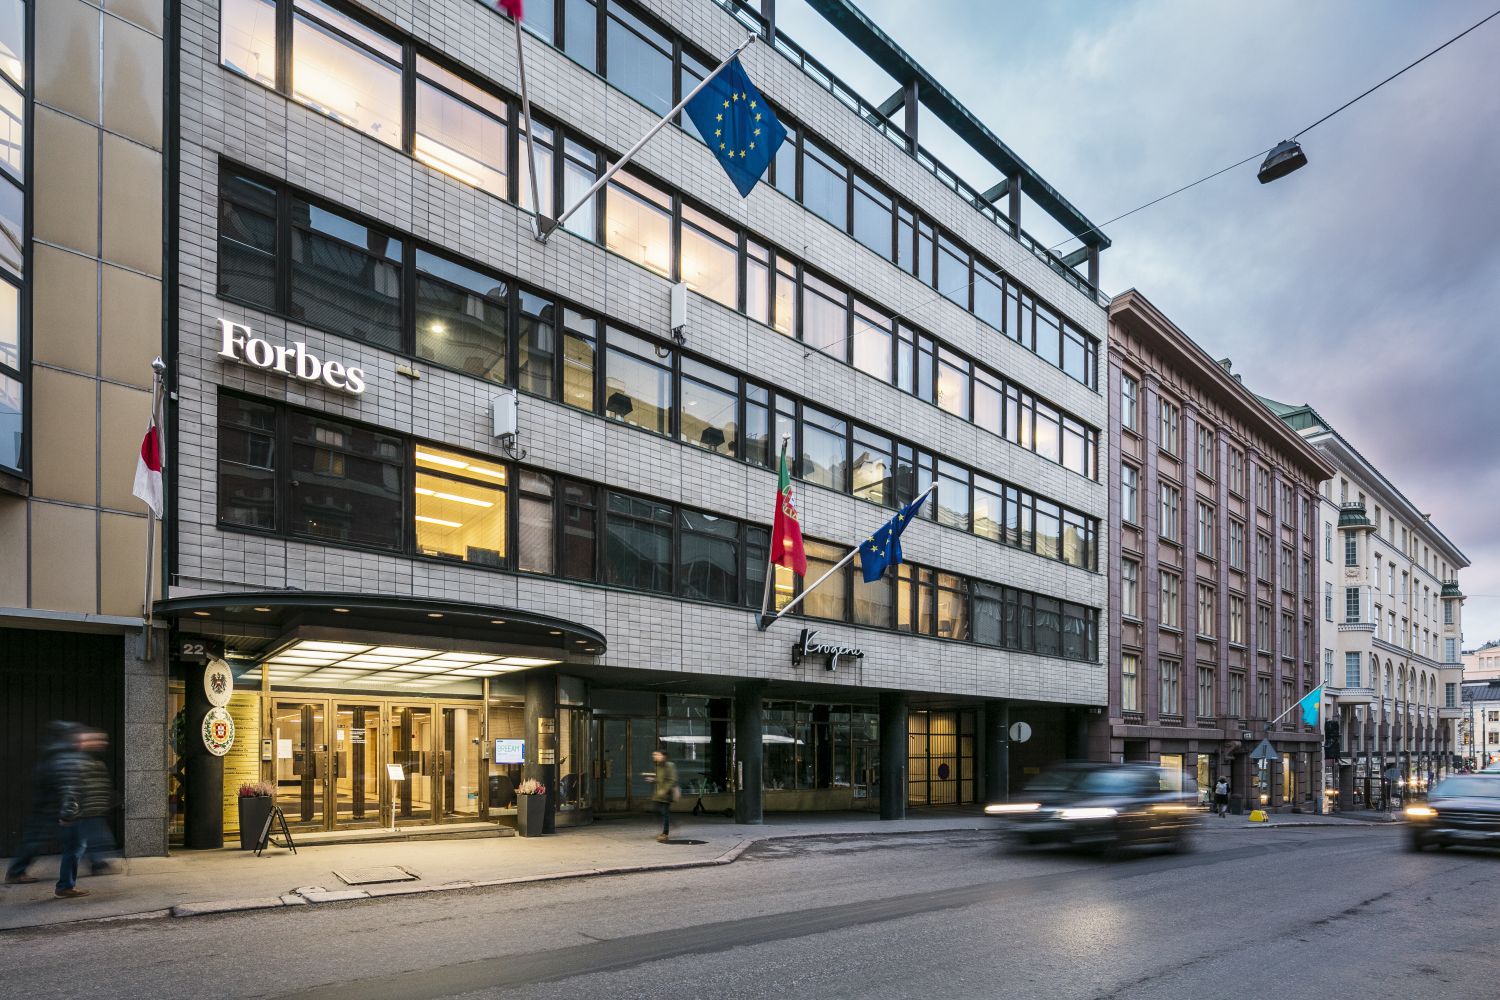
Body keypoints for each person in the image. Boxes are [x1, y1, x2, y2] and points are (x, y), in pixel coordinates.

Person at [4, 722, 77, 885]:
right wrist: (66, 812)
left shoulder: (49, 753)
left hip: (44, 805)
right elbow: (65, 786)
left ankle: (16, 871)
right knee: (72, 842)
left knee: (34, 840)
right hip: (52, 808)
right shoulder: (61, 756)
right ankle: (16, 872)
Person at [54, 727, 115, 899]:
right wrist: (67, 815)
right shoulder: (80, 764)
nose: (101, 743)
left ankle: (66, 885)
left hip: (89, 814)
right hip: (80, 815)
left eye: (102, 740)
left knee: (77, 848)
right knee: (75, 848)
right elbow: (72, 791)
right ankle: (65, 886)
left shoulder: (93, 763)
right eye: (95, 740)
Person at [648, 750, 678, 843]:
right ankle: (671, 824)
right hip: (658, 795)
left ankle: (665, 833)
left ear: (664, 756)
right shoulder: (658, 767)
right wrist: (653, 780)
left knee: (664, 813)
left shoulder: (670, 766)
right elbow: (659, 779)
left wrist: (664, 790)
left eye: (657, 755)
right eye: (654, 755)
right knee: (657, 812)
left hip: (666, 794)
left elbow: (672, 780)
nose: (655, 756)